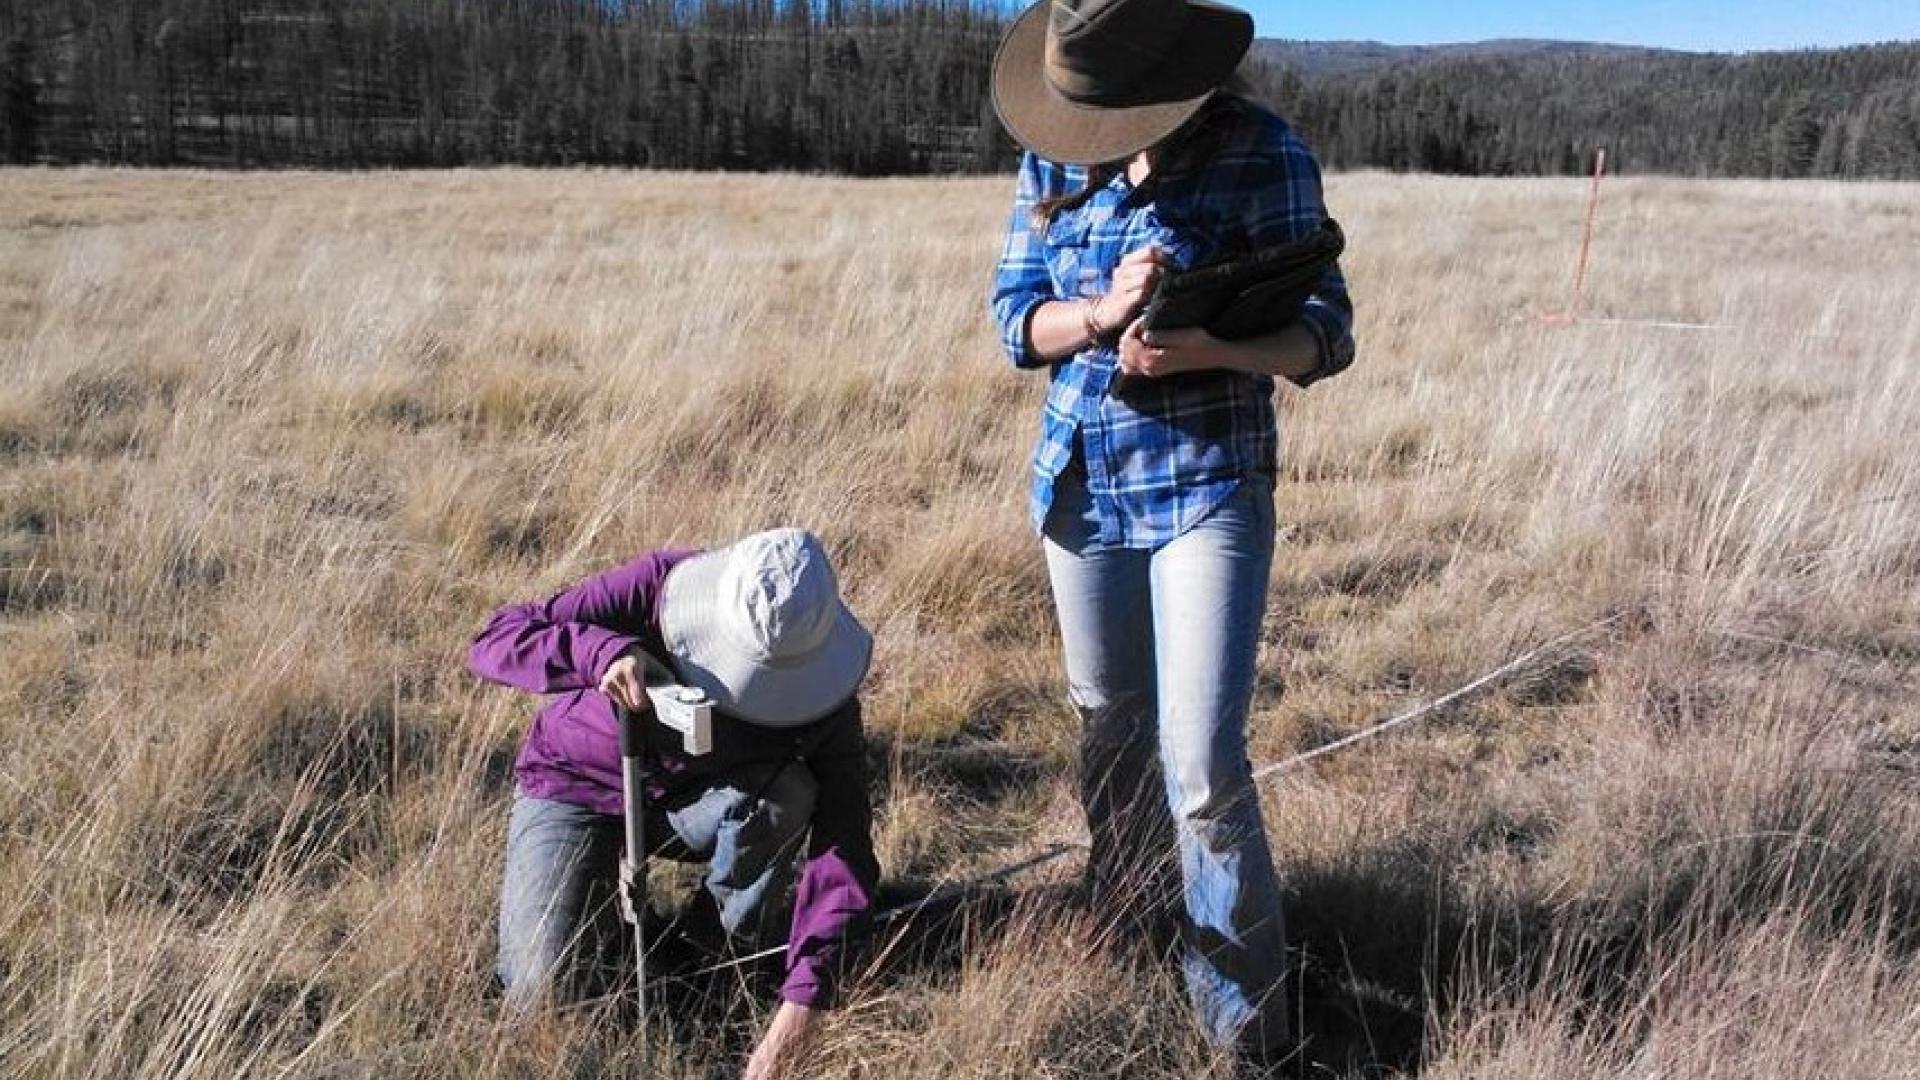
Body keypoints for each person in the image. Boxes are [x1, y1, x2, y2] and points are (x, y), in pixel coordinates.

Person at [987, 0, 1358, 1061]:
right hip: (1081, 486)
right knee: (1108, 730)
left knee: (1200, 766)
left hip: (1208, 485)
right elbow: (1016, 316)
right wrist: (1099, 317)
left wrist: (1207, 351)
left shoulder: (1263, 154)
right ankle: (1136, 916)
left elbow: (1326, 333)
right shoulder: (1053, 166)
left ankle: (1244, 1029)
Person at [468, 527, 879, 1080]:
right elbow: (497, 637)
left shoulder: (826, 695)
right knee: (545, 998)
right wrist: (603, 653)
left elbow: (844, 849)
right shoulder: (655, 586)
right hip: (575, 787)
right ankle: (601, 922)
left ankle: (708, 958)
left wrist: (804, 1005)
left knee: (790, 795)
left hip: (696, 808)